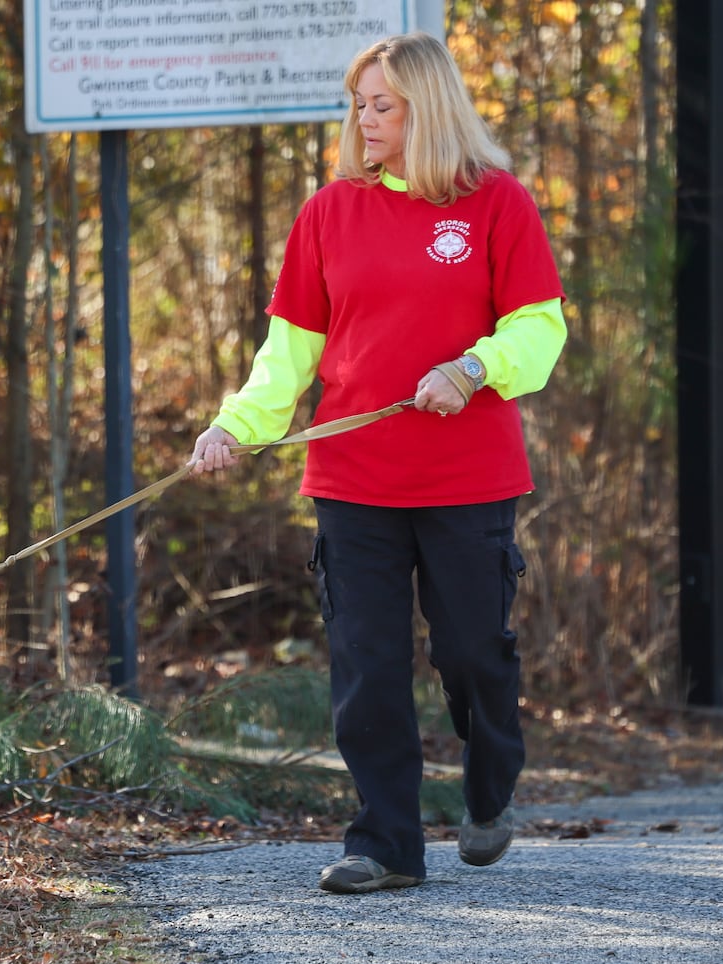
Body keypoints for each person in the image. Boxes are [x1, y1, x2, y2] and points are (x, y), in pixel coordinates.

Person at [189, 31, 566, 894]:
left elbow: (538, 329)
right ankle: (386, 843)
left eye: (381, 105)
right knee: (367, 663)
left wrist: (474, 368)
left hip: (468, 478)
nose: (364, 119)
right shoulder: (329, 213)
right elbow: (290, 350)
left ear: (426, 107)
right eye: (359, 104)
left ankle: (489, 787)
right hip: (353, 478)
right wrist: (234, 426)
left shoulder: (496, 203)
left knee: (472, 652)